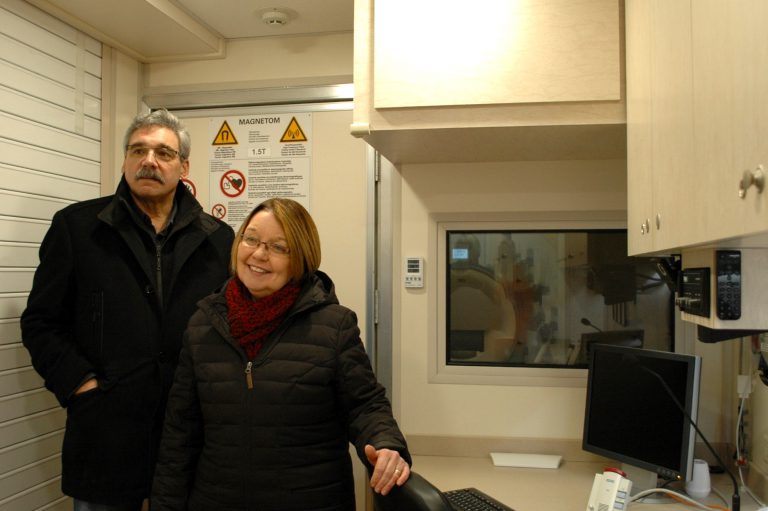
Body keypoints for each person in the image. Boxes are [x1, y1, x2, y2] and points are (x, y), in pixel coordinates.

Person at [20, 108, 234, 510]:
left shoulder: (218, 239)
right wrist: (81, 385)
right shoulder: (78, 228)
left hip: (189, 430)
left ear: (183, 165)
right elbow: (41, 322)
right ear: (125, 160)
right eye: (138, 150)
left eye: (163, 153)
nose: (148, 161)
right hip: (106, 431)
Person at [150, 198, 411, 511]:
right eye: (251, 239)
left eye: (278, 247)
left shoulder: (334, 325)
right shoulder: (203, 323)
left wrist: (386, 444)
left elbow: (365, 405)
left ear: (299, 258)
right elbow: (180, 433)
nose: (259, 254)